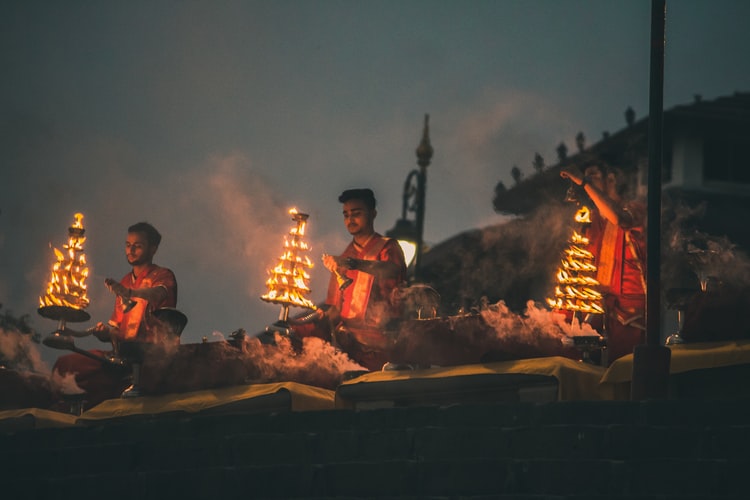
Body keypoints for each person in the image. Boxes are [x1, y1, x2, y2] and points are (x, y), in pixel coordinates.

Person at [51, 222, 177, 406]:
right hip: (121, 357)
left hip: (151, 356)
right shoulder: (126, 281)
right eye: (128, 245)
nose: (131, 250)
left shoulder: (163, 275)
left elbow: (158, 294)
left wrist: (128, 293)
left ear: (153, 249)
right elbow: (117, 331)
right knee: (66, 366)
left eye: (138, 246)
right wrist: (104, 333)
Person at [294, 188, 407, 371]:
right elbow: (335, 310)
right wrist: (309, 320)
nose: (350, 220)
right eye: (346, 215)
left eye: (356, 214)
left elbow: (391, 270)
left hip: (383, 349)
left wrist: (353, 264)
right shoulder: (343, 258)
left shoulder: (387, 247)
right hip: (348, 350)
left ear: (373, 214)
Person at [561, 162, 647, 365]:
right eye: (587, 177)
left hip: (629, 313)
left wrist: (583, 182)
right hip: (598, 308)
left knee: (625, 369)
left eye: (593, 176)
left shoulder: (635, 209)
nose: (588, 182)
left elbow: (619, 218)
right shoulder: (592, 218)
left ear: (612, 179)